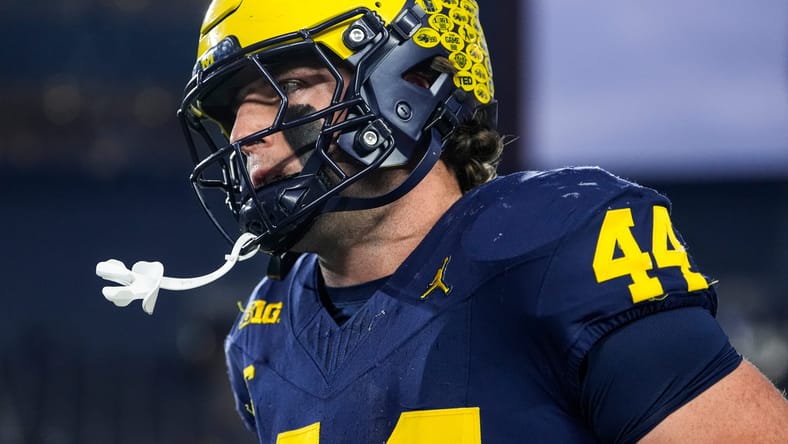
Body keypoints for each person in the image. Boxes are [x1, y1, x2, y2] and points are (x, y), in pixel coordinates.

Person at [171, 0, 788, 442]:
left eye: (291, 82)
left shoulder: (552, 248)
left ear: (414, 80)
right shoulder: (264, 335)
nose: (246, 134)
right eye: (230, 113)